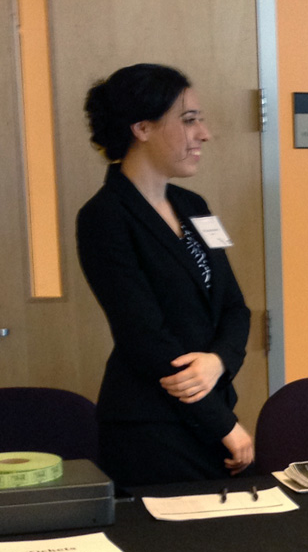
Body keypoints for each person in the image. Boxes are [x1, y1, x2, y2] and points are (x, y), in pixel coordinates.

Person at [77, 64, 254, 487]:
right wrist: (223, 425)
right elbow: (145, 338)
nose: (203, 134)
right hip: (150, 428)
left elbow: (234, 307)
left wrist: (218, 362)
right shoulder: (105, 217)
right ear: (142, 128)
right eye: (189, 120)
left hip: (211, 414)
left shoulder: (194, 206)